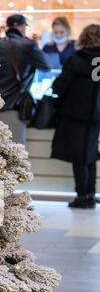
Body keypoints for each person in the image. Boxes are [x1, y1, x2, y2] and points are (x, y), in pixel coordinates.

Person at [51, 24, 100, 209]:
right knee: (90, 153)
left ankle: (82, 196)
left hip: (75, 114)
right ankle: (91, 194)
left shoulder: (76, 60)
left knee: (78, 156)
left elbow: (60, 86)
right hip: (96, 116)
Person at [0, 14, 50, 145]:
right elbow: (47, 67)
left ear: (8, 27)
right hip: (14, 107)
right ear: (22, 27)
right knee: (15, 157)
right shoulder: (28, 45)